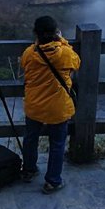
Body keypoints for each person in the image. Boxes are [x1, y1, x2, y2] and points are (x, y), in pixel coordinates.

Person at [20, 15, 81, 194]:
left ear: (36, 34)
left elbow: (24, 64)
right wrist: (62, 41)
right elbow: (77, 63)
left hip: (35, 105)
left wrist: (38, 44)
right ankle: (53, 181)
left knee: (30, 139)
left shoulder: (29, 54)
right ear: (56, 33)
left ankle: (29, 170)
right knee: (57, 143)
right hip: (57, 107)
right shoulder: (65, 53)